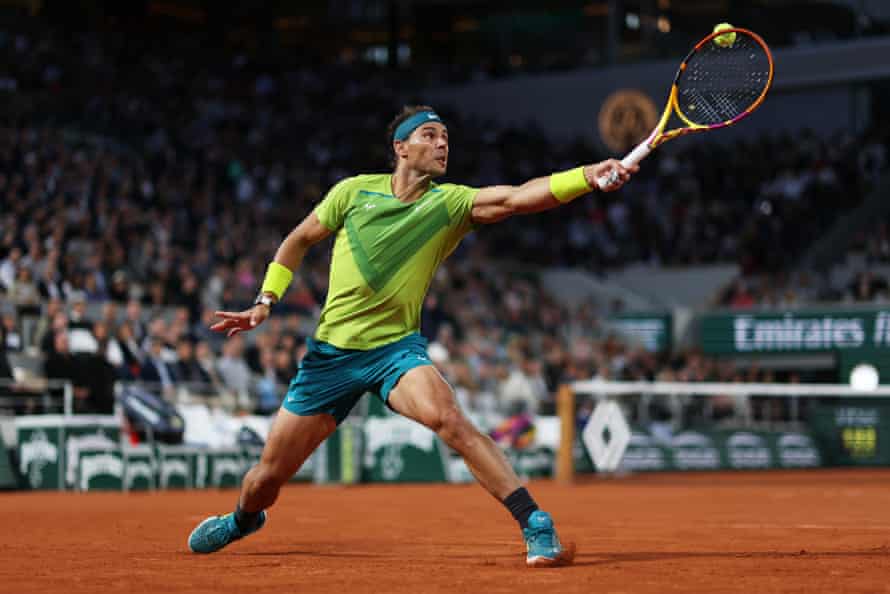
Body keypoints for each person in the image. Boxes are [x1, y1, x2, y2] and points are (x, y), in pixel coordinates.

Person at [187, 105, 635, 567]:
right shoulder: (352, 192)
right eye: (430, 135)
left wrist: (586, 175)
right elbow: (298, 239)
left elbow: (518, 198)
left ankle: (535, 523)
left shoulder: (449, 203)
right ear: (401, 148)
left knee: (451, 421)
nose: (443, 144)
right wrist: (265, 301)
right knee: (266, 478)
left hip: (394, 351)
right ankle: (243, 520)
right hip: (330, 359)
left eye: (445, 137)